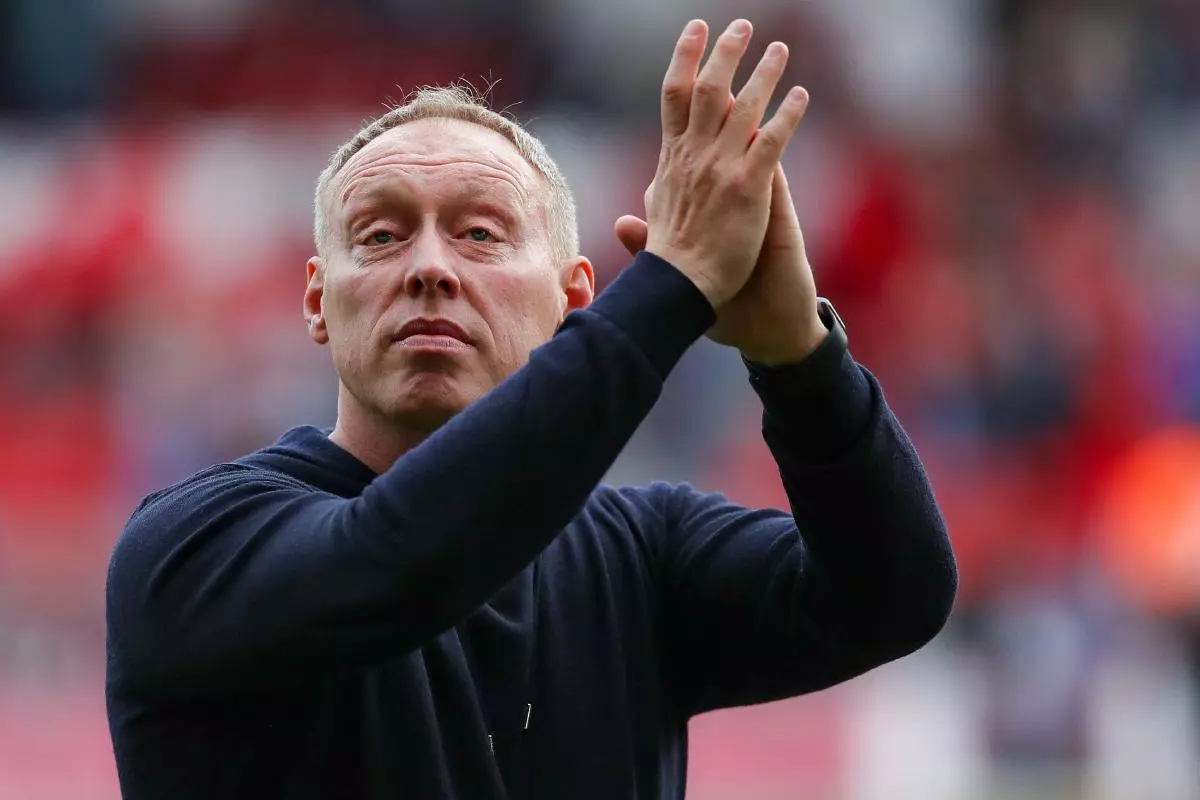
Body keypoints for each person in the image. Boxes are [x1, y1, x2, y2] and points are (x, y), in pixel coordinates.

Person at [106, 18, 956, 799]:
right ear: (319, 303)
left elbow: (895, 596)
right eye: (380, 234)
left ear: (574, 301)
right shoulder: (190, 546)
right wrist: (673, 287)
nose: (430, 266)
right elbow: (404, 563)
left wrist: (800, 357)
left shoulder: (643, 556)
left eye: (481, 233)